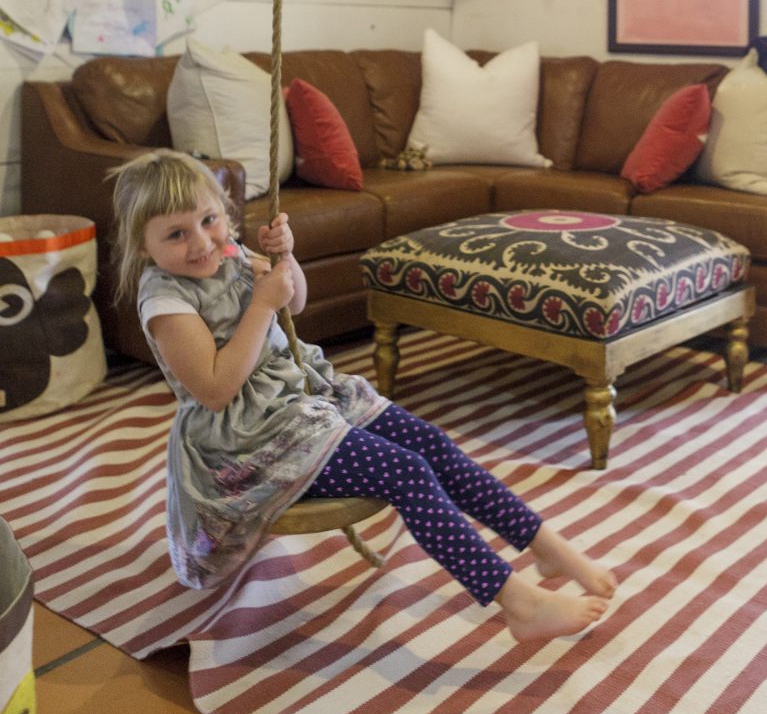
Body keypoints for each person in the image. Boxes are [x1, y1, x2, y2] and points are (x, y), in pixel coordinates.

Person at [111, 149, 615, 640]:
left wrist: (284, 260)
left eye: (209, 219)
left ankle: (543, 544)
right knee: (406, 472)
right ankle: (519, 603)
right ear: (142, 247)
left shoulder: (230, 252)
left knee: (431, 444)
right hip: (249, 440)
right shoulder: (166, 301)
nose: (200, 241)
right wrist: (261, 304)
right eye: (176, 234)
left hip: (303, 395)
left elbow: (297, 302)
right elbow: (218, 390)